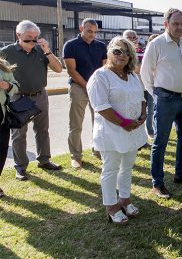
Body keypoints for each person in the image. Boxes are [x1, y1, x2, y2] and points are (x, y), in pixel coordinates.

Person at [140, 8, 182, 199]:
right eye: (175, 24)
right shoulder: (157, 44)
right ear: (166, 24)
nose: (179, 27)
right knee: (160, 141)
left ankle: (180, 174)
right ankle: (157, 183)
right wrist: (157, 95)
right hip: (165, 99)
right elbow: (145, 74)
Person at [87, 37, 146, 224]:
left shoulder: (132, 76)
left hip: (132, 130)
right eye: (118, 51)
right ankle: (111, 205)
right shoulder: (100, 76)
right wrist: (124, 123)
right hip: (111, 131)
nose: (123, 55)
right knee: (111, 168)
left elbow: (142, 97)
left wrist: (143, 113)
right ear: (109, 52)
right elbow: (101, 106)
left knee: (127, 167)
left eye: (127, 52)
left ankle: (125, 199)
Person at [1, 20, 65, 180]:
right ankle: (21, 167)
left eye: (35, 38)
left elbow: (58, 69)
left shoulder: (41, 50)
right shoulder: (7, 52)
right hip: (18, 97)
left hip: (40, 95)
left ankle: (44, 160)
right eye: (28, 38)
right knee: (19, 134)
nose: (32, 42)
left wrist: (47, 50)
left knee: (42, 130)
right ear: (18, 35)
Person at [63, 18, 108, 168]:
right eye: (89, 31)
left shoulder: (101, 46)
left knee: (99, 121)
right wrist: (88, 86)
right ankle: (76, 156)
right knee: (76, 124)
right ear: (81, 28)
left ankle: (98, 149)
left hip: (97, 88)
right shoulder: (71, 45)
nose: (92, 35)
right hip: (78, 87)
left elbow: (104, 68)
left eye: (95, 32)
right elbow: (71, 70)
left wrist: (99, 86)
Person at [124, 30, 155, 142]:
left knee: (149, 110)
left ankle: (149, 132)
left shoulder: (142, 51)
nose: (132, 39)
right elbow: (136, 69)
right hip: (133, 87)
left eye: (134, 37)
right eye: (129, 37)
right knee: (135, 111)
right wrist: (139, 67)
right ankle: (134, 137)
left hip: (147, 84)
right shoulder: (121, 53)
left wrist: (139, 67)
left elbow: (144, 68)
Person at [0, 56, 20, 198]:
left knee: (1, 152)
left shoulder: (3, 65)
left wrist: (8, 86)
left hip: (1, 117)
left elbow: (16, 86)